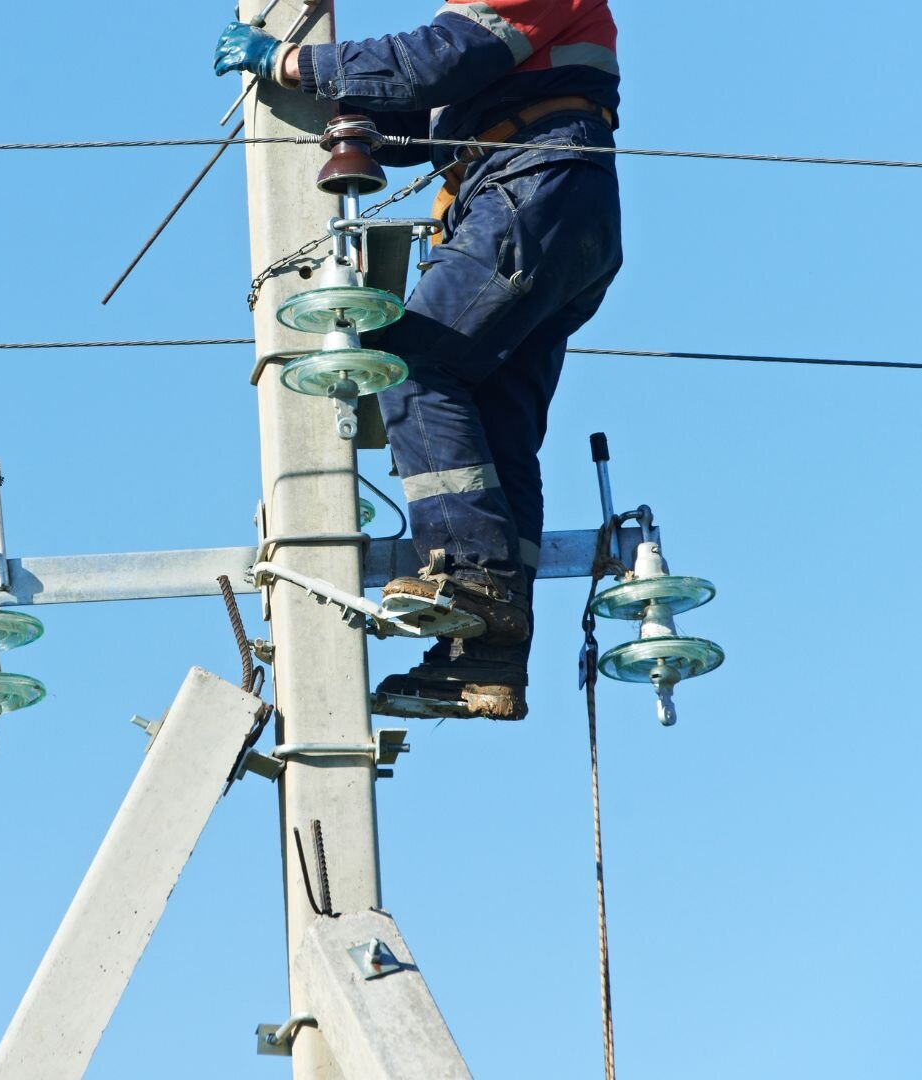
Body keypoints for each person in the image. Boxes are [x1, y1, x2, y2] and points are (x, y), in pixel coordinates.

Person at [215, 0, 624, 720]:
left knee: (409, 362)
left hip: (533, 185)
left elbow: (434, 61)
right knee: (495, 421)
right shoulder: (508, 45)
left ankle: (468, 576)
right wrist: (358, 117)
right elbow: (429, 103)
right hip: (551, 199)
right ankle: (487, 658)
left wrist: (291, 64)